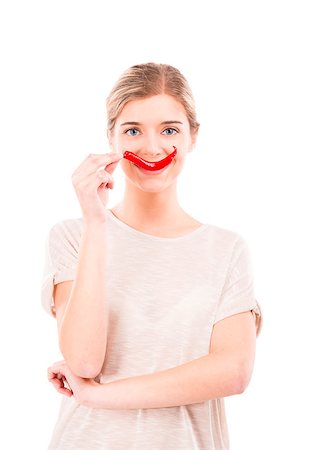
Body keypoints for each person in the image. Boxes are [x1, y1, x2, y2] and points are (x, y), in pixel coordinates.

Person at [41, 62, 262, 450]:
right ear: (111, 138)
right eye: (132, 131)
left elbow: (233, 372)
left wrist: (98, 395)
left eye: (170, 130)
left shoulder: (226, 250)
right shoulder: (73, 236)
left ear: (193, 136)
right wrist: (95, 223)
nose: (153, 147)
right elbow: (84, 362)